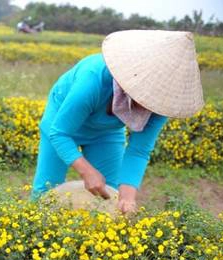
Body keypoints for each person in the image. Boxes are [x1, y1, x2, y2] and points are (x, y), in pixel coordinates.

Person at [32, 30, 204, 213]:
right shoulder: (92, 80)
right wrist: (86, 170)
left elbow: (139, 150)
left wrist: (127, 197)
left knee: (109, 198)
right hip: (61, 126)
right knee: (45, 195)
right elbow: (59, 133)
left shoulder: (161, 105)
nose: (149, 104)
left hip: (106, 133)